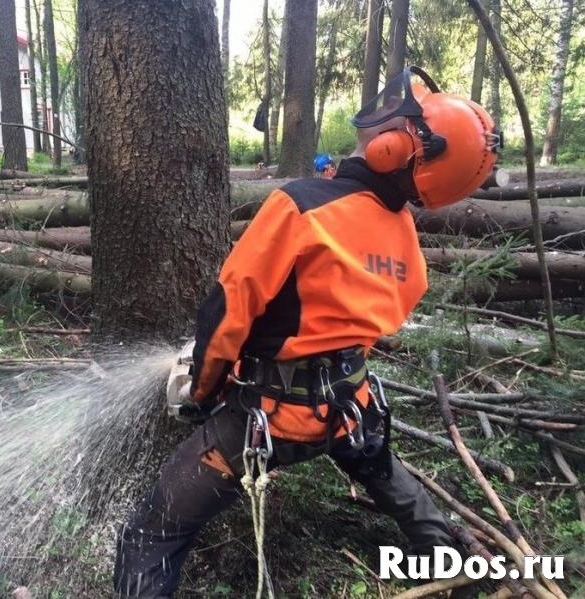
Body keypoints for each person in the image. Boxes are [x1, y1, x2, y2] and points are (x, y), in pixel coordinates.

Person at [114, 66, 502, 598]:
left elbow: (228, 310)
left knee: (151, 536)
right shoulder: (404, 236)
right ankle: (453, 563)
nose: (383, 118)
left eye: (399, 121)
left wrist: (201, 395)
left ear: (398, 148)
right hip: (349, 409)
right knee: (378, 465)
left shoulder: (301, 204)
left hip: (266, 418)